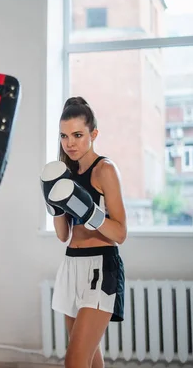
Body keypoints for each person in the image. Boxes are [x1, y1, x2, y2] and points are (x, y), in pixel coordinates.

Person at [40, 97, 127, 368]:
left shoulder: (105, 170)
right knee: (89, 359)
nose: (70, 143)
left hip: (100, 268)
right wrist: (52, 205)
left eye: (78, 135)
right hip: (71, 266)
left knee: (75, 361)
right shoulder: (65, 173)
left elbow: (120, 233)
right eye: (64, 136)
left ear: (93, 134)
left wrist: (91, 213)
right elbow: (63, 234)